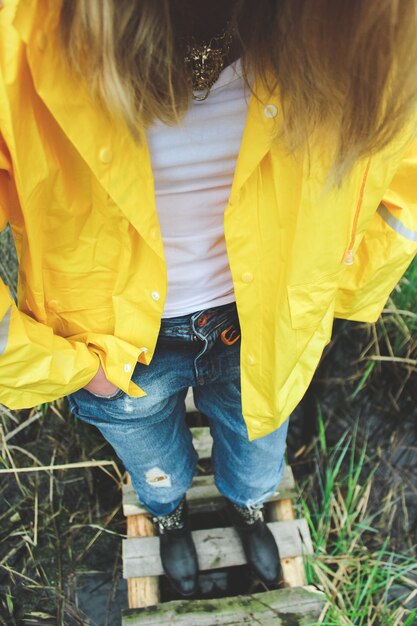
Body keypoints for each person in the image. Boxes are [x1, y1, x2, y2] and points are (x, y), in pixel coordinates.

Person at [1, 0, 416, 597]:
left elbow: (406, 182)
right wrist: (61, 367)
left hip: (263, 328)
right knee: (156, 467)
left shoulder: (369, 28)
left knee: (255, 459)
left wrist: (326, 297)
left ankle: (246, 508)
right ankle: (168, 514)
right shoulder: (20, 34)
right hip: (115, 350)